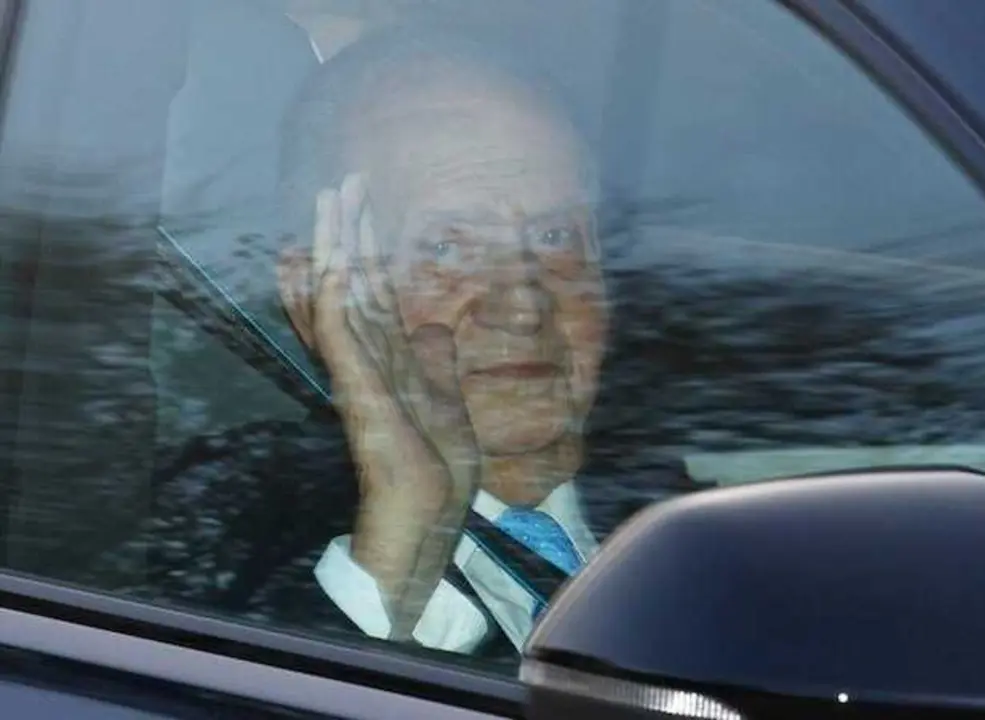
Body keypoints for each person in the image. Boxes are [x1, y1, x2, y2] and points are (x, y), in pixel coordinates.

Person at [102, 29, 693, 663]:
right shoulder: (219, 527)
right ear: (314, 296)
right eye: (447, 248)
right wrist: (398, 557)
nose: (523, 305)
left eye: (554, 236)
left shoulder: (695, 526)